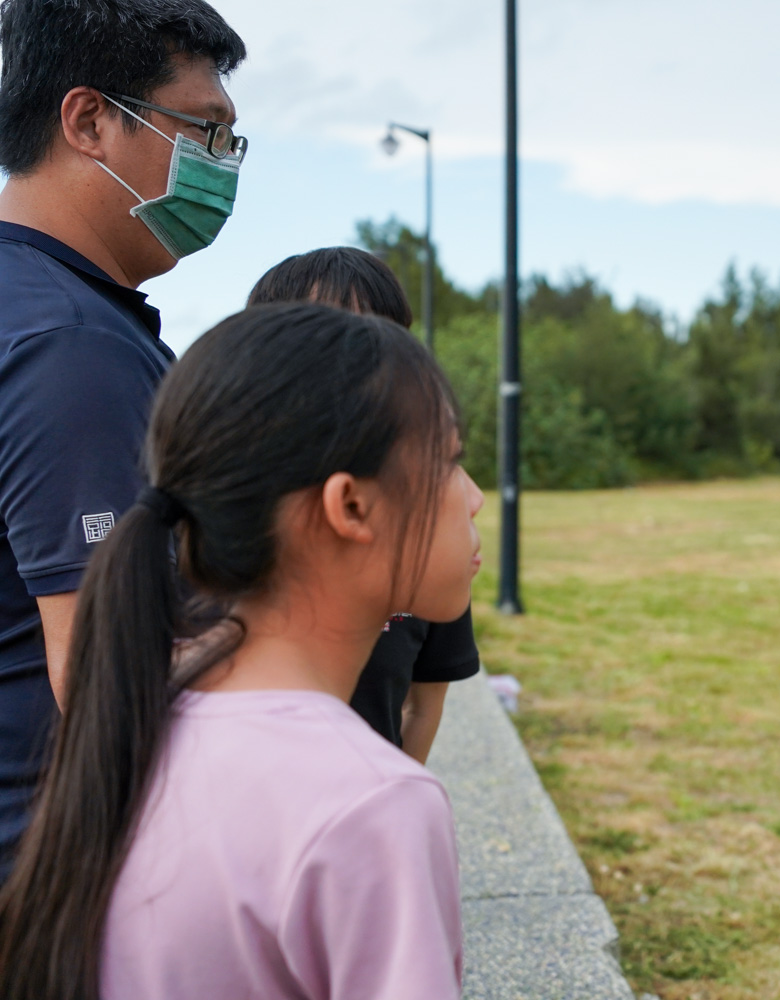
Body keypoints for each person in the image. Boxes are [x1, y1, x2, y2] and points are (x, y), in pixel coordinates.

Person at [0, 303, 478, 999]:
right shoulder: (372, 804)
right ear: (350, 507)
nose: (476, 499)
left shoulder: (137, 721)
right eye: (452, 461)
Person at [0, 0, 247, 877]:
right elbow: (106, 673)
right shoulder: (71, 344)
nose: (221, 165)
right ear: (90, 120)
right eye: (204, 131)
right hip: (51, 880)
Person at [247, 246, 483, 762]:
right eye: (331, 334)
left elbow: (422, 707)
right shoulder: (229, 519)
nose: (365, 354)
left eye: (385, 335)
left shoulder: (426, 531)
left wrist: (395, 801)